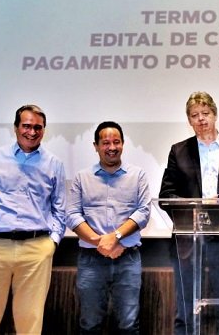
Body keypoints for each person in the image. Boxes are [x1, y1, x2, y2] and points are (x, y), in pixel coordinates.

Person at [0, 104, 66, 334]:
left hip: (36, 250)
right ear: (16, 127)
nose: (32, 132)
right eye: (26, 126)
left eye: (38, 127)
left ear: (44, 130)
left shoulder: (54, 164)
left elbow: (60, 208)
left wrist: (52, 243)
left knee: (31, 323)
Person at [159, 91, 219, 335]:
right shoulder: (179, 151)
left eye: (205, 113)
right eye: (194, 115)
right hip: (189, 241)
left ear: (215, 115)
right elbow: (166, 196)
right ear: (189, 120)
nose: (201, 119)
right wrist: (197, 205)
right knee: (185, 313)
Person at [66, 121, 151, 334]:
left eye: (116, 142)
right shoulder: (82, 178)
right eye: (105, 143)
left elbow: (143, 212)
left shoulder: (137, 175)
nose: (112, 147)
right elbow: (72, 215)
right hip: (91, 260)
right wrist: (101, 242)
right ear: (96, 146)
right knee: (89, 324)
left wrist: (116, 237)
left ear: (123, 144)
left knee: (129, 324)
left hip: (128, 258)